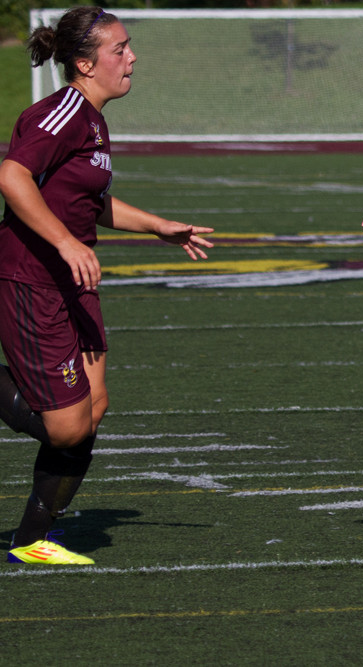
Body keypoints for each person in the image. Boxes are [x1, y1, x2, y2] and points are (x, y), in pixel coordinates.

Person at [0, 6, 215, 565]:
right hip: (34, 277)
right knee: (67, 427)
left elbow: (88, 202)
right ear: (84, 62)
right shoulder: (65, 110)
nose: (132, 57)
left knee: (93, 409)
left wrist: (157, 226)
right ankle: (31, 538)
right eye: (119, 49)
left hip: (74, 280)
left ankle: (31, 542)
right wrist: (67, 244)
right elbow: (11, 175)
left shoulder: (94, 118)